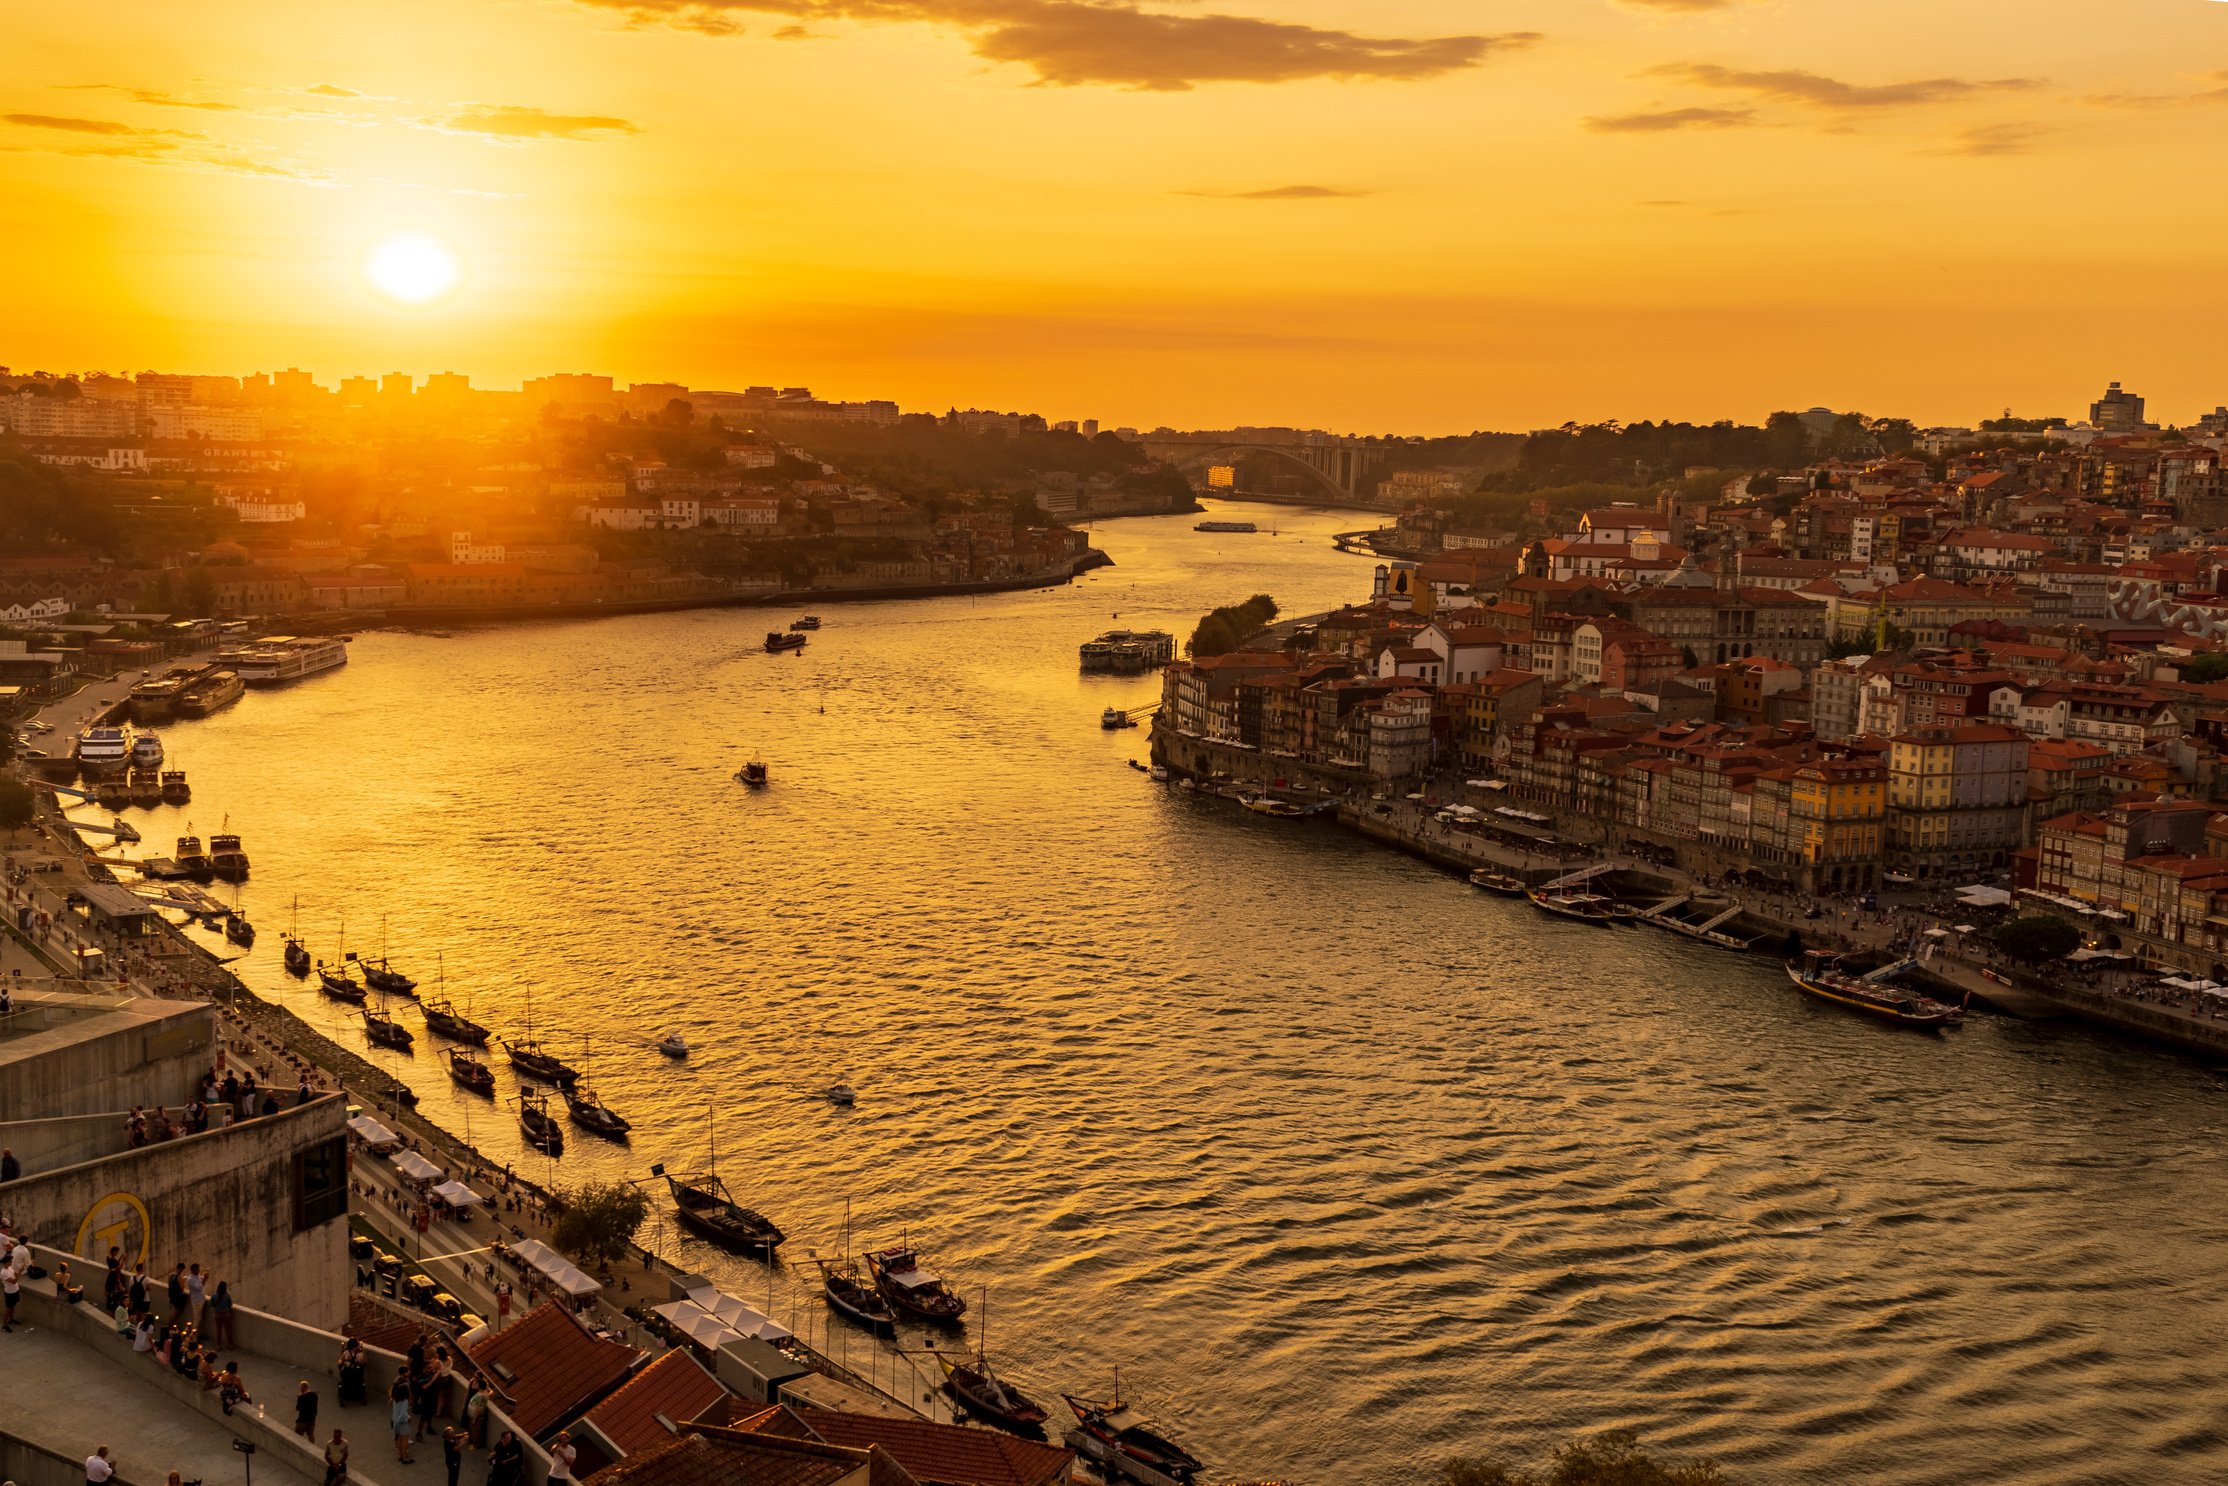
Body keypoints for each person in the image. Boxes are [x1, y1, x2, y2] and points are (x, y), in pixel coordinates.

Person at [389, 1371, 415, 1463]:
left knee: (399, 1439)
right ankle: (404, 1457)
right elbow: (403, 1414)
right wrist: (408, 1418)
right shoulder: (405, 1401)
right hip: (402, 1423)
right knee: (405, 1440)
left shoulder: (396, 1400)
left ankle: (400, 1455)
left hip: (396, 1421)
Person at [336, 1338, 368, 1404]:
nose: (359, 1346)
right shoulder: (346, 1353)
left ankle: (359, 1395)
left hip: (357, 1371)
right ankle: (343, 1395)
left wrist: (360, 1362)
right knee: (345, 1379)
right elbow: (341, 1360)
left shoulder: (360, 1354)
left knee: (359, 1380)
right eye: (357, 1345)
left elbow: (364, 1363)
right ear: (354, 1346)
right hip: (348, 1371)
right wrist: (340, 1363)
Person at [207, 1279, 234, 1346]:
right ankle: (230, 1345)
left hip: (217, 1315)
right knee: (228, 1330)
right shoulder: (227, 1296)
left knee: (218, 1331)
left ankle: (219, 1346)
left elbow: (211, 1304)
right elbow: (230, 1304)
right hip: (226, 1315)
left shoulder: (214, 1296)